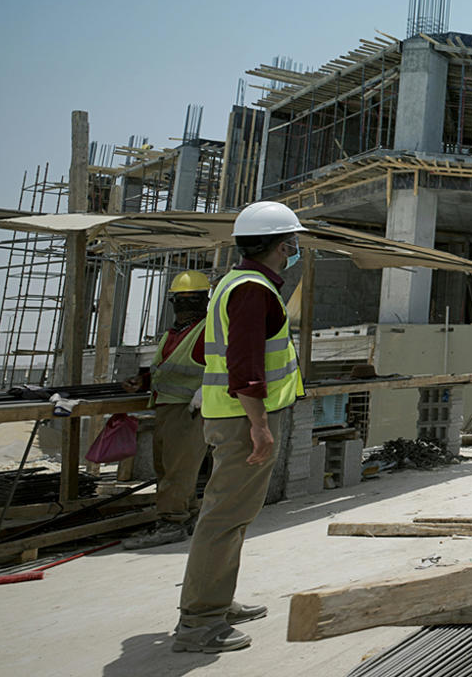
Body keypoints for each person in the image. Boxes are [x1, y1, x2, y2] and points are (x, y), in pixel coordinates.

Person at [171, 201, 307, 653]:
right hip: (241, 422)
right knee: (224, 520)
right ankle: (199, 623)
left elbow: (218, 355)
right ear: (278, 244)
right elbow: (246, 368)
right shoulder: (254, 290)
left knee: (231, 517)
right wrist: (260, 427)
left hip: (227, 416)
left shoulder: (233, 282)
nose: (293, 250)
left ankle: (215, 601)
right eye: (291, 242)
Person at [119, 271, 213, 550]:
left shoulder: (208, 330)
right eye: (180, 300)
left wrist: (203, 393)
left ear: (203, 301)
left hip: (187, 410)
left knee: (177, 470)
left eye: (191, 300)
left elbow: (222, 366)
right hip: (165, 405)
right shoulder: (173, 333)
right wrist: (143, 381)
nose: (185, 305)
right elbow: (165, 367)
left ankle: (172, 521)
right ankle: (188, 515)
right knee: (169, 467)